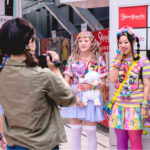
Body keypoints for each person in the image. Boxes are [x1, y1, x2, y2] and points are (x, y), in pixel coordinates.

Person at [0, 18, 76, 150]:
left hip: (14, 144)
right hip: (42, 145)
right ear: (29, 42)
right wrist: (55, 70)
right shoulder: (43, 76)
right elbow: (70, 99)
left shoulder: (2, 73)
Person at [61, 31, 107, 150]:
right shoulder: (72, 59)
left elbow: (103, 84)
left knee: (91, 132)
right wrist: (73, 96)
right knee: (75, 132)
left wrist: (90, 87)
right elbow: (66, 81)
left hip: (92, 98)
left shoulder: (98, 60)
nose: (83, 43)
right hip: (75, 96)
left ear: (92, 43)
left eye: (86, 41)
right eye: (80, 41)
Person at [109, 26, 150, 149]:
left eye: (126, 42)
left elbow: (147, 85)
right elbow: (112, 80)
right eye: (120, 43)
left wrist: (144, 106)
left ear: (133, 42)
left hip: (135, 108)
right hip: (119, 108)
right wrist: (117, 61)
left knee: (135, 143)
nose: (123, 45)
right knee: (121, 143)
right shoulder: (117, 61)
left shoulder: (143, 61)